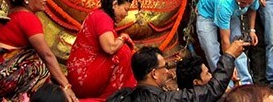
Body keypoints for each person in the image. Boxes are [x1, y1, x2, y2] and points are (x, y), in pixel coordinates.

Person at [106, 40, 248, 102]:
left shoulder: (120, 96)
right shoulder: (165, 99)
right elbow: (211, 90)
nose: (168, 72)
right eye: (164, 68)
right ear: (154, 73)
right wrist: (229, 56)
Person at [67, 0, 137, 99]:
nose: (126, 14)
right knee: (123, 51)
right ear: (115, 4)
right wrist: (123, 37)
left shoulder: (99, 14)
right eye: (125, 9)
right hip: (84, 77)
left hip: (79, 74)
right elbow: (110, 48)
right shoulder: (103, 18)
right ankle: (112, 97)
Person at [196, 0, 260, 85]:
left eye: (249, 2)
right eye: (243, 3)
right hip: (207, 14)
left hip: (232, 13)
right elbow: (225, 40)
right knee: (211, 50)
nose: (246, 6)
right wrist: (229, 65)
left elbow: (253, 9)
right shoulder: (224, 3)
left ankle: (246, 84)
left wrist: (252, 30)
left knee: (239, 45)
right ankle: (225, 85)